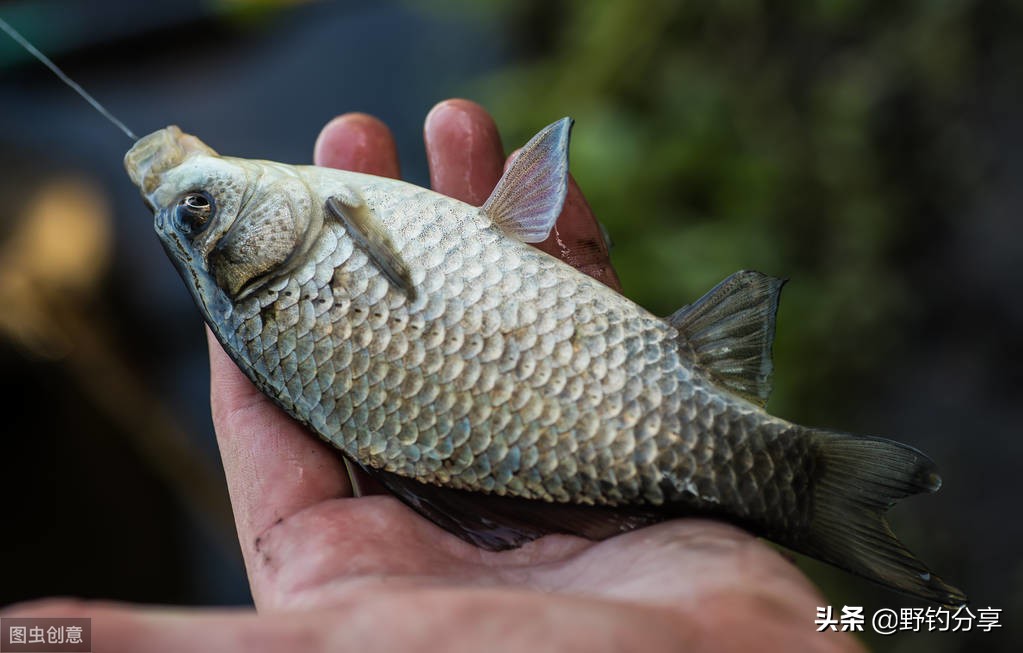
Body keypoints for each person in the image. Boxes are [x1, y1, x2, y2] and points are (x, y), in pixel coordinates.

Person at [3, 100, 862, 652]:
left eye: (194, 213)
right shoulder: (314, 231)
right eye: (200, 216)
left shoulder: (303, 240)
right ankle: (836, 520)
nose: (197, 196)